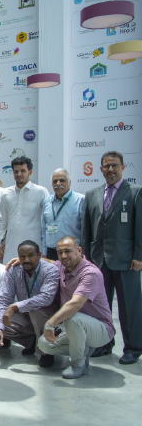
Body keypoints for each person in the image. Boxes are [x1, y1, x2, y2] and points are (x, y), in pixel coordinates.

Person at [81, 151, 142, 364]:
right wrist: (86, 258)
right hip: (98, 261)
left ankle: (133, 348)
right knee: (100, 306)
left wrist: (138, 255)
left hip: (127, 261)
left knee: (129, 307)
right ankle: (104, 343)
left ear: (123, 167)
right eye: (106, 166)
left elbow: (140, 227)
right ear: (101, 169)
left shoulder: (135, 192)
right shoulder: (92, 194)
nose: (110, 169)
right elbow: (86, 229)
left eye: (115, 165)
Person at [37, 236, 116, 379]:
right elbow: (49, 262)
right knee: (44, 344)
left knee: (73, 317)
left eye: (68, 251)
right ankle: (83, 349)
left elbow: (76, 304)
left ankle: (78, 364)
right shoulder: (62, 266)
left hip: (101, 329)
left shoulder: (90, 273)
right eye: (60, 252)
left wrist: (50, 323)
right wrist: (25, 260)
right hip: (74, 327)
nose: (63, 256)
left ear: (79, 250)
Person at [0, 240, 60, 368]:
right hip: (25, 314)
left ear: (39, 255)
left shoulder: (50, 270)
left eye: (30, 255)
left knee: (36, 311)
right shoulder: (13, 270)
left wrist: (15, 306)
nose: (26, 260)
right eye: (22, 256)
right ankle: (31, 342)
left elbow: (46, 298)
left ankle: (46, 351)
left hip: (47, 316)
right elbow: (2, 298)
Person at [0, 156, 49, 261]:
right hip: (11, 245)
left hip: (34, 243)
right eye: (16, 171)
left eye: (23, 171)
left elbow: (47, 221)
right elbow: (2, 221)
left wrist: (45, 248)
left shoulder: (41, 192)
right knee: (10, 269)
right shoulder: (6, 193)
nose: (19, 174)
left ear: (30, 172)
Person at [41, 169, 85, 261]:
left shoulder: (80, 200)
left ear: (69, 183)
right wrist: (44, 252)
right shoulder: (47, 202)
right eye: (55, 181)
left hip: (71, 252)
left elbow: (85, 230)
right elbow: (44, 229)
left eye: (62, 180)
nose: (58, 183)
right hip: (51, 252)